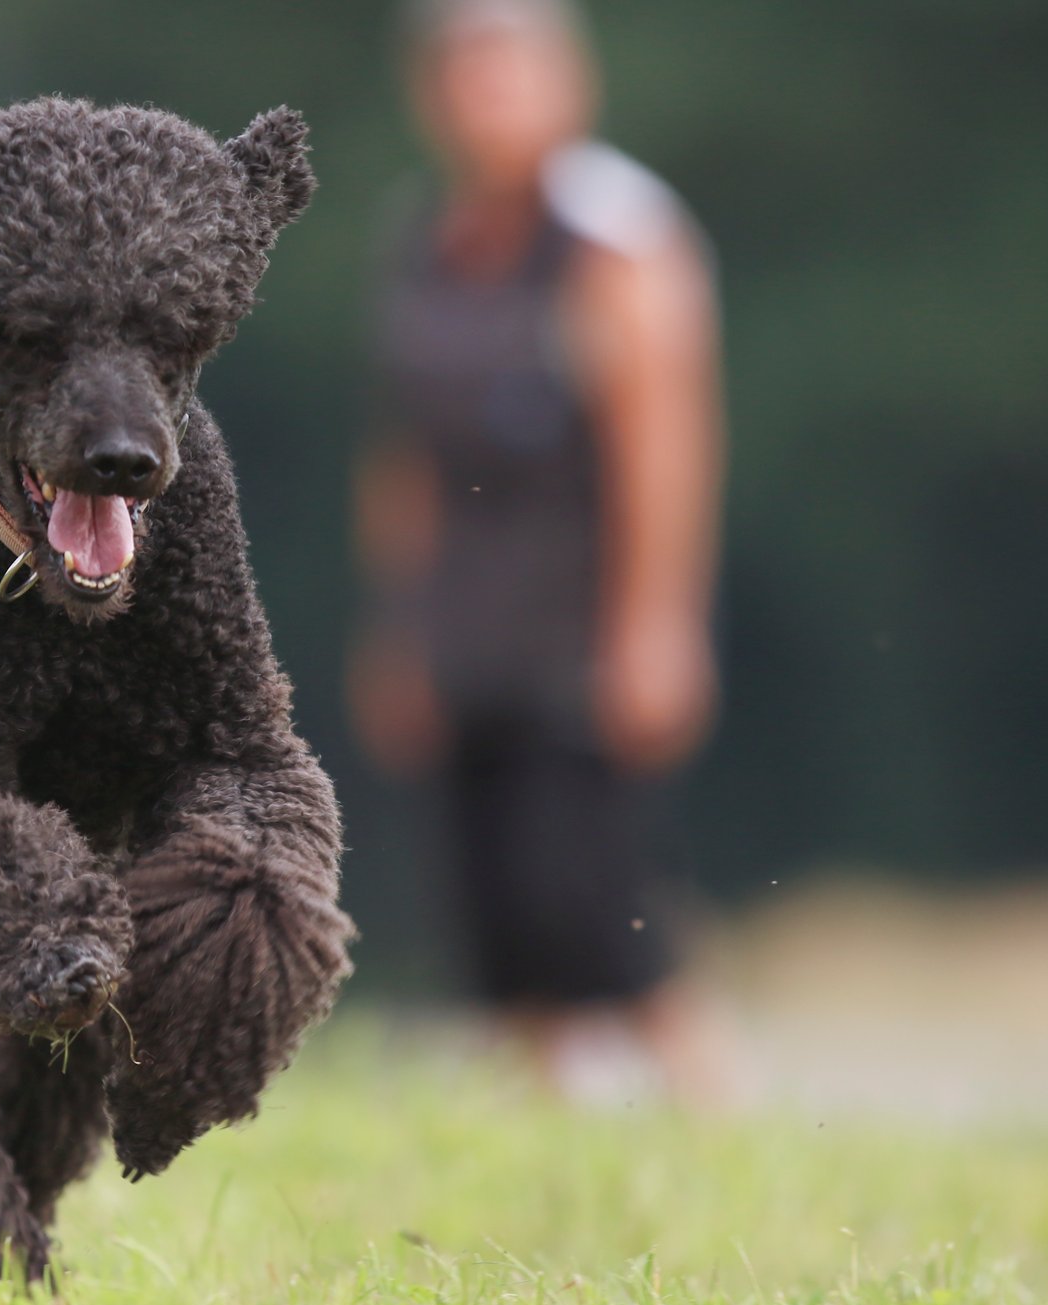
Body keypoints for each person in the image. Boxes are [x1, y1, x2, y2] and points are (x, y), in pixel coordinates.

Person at [352, 0, 732, 1102]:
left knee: (599, 908)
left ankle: (715, 1108)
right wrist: (400, 625)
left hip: (578, 619)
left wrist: (655, 626)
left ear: (569, 83)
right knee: (495, 924)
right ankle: (546, 1146)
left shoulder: (615, 236)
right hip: (469, 616)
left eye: (509, 75)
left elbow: (663, 445)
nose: (487, 102)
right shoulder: (426, 238)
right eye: (464, 79)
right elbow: (403, 454)